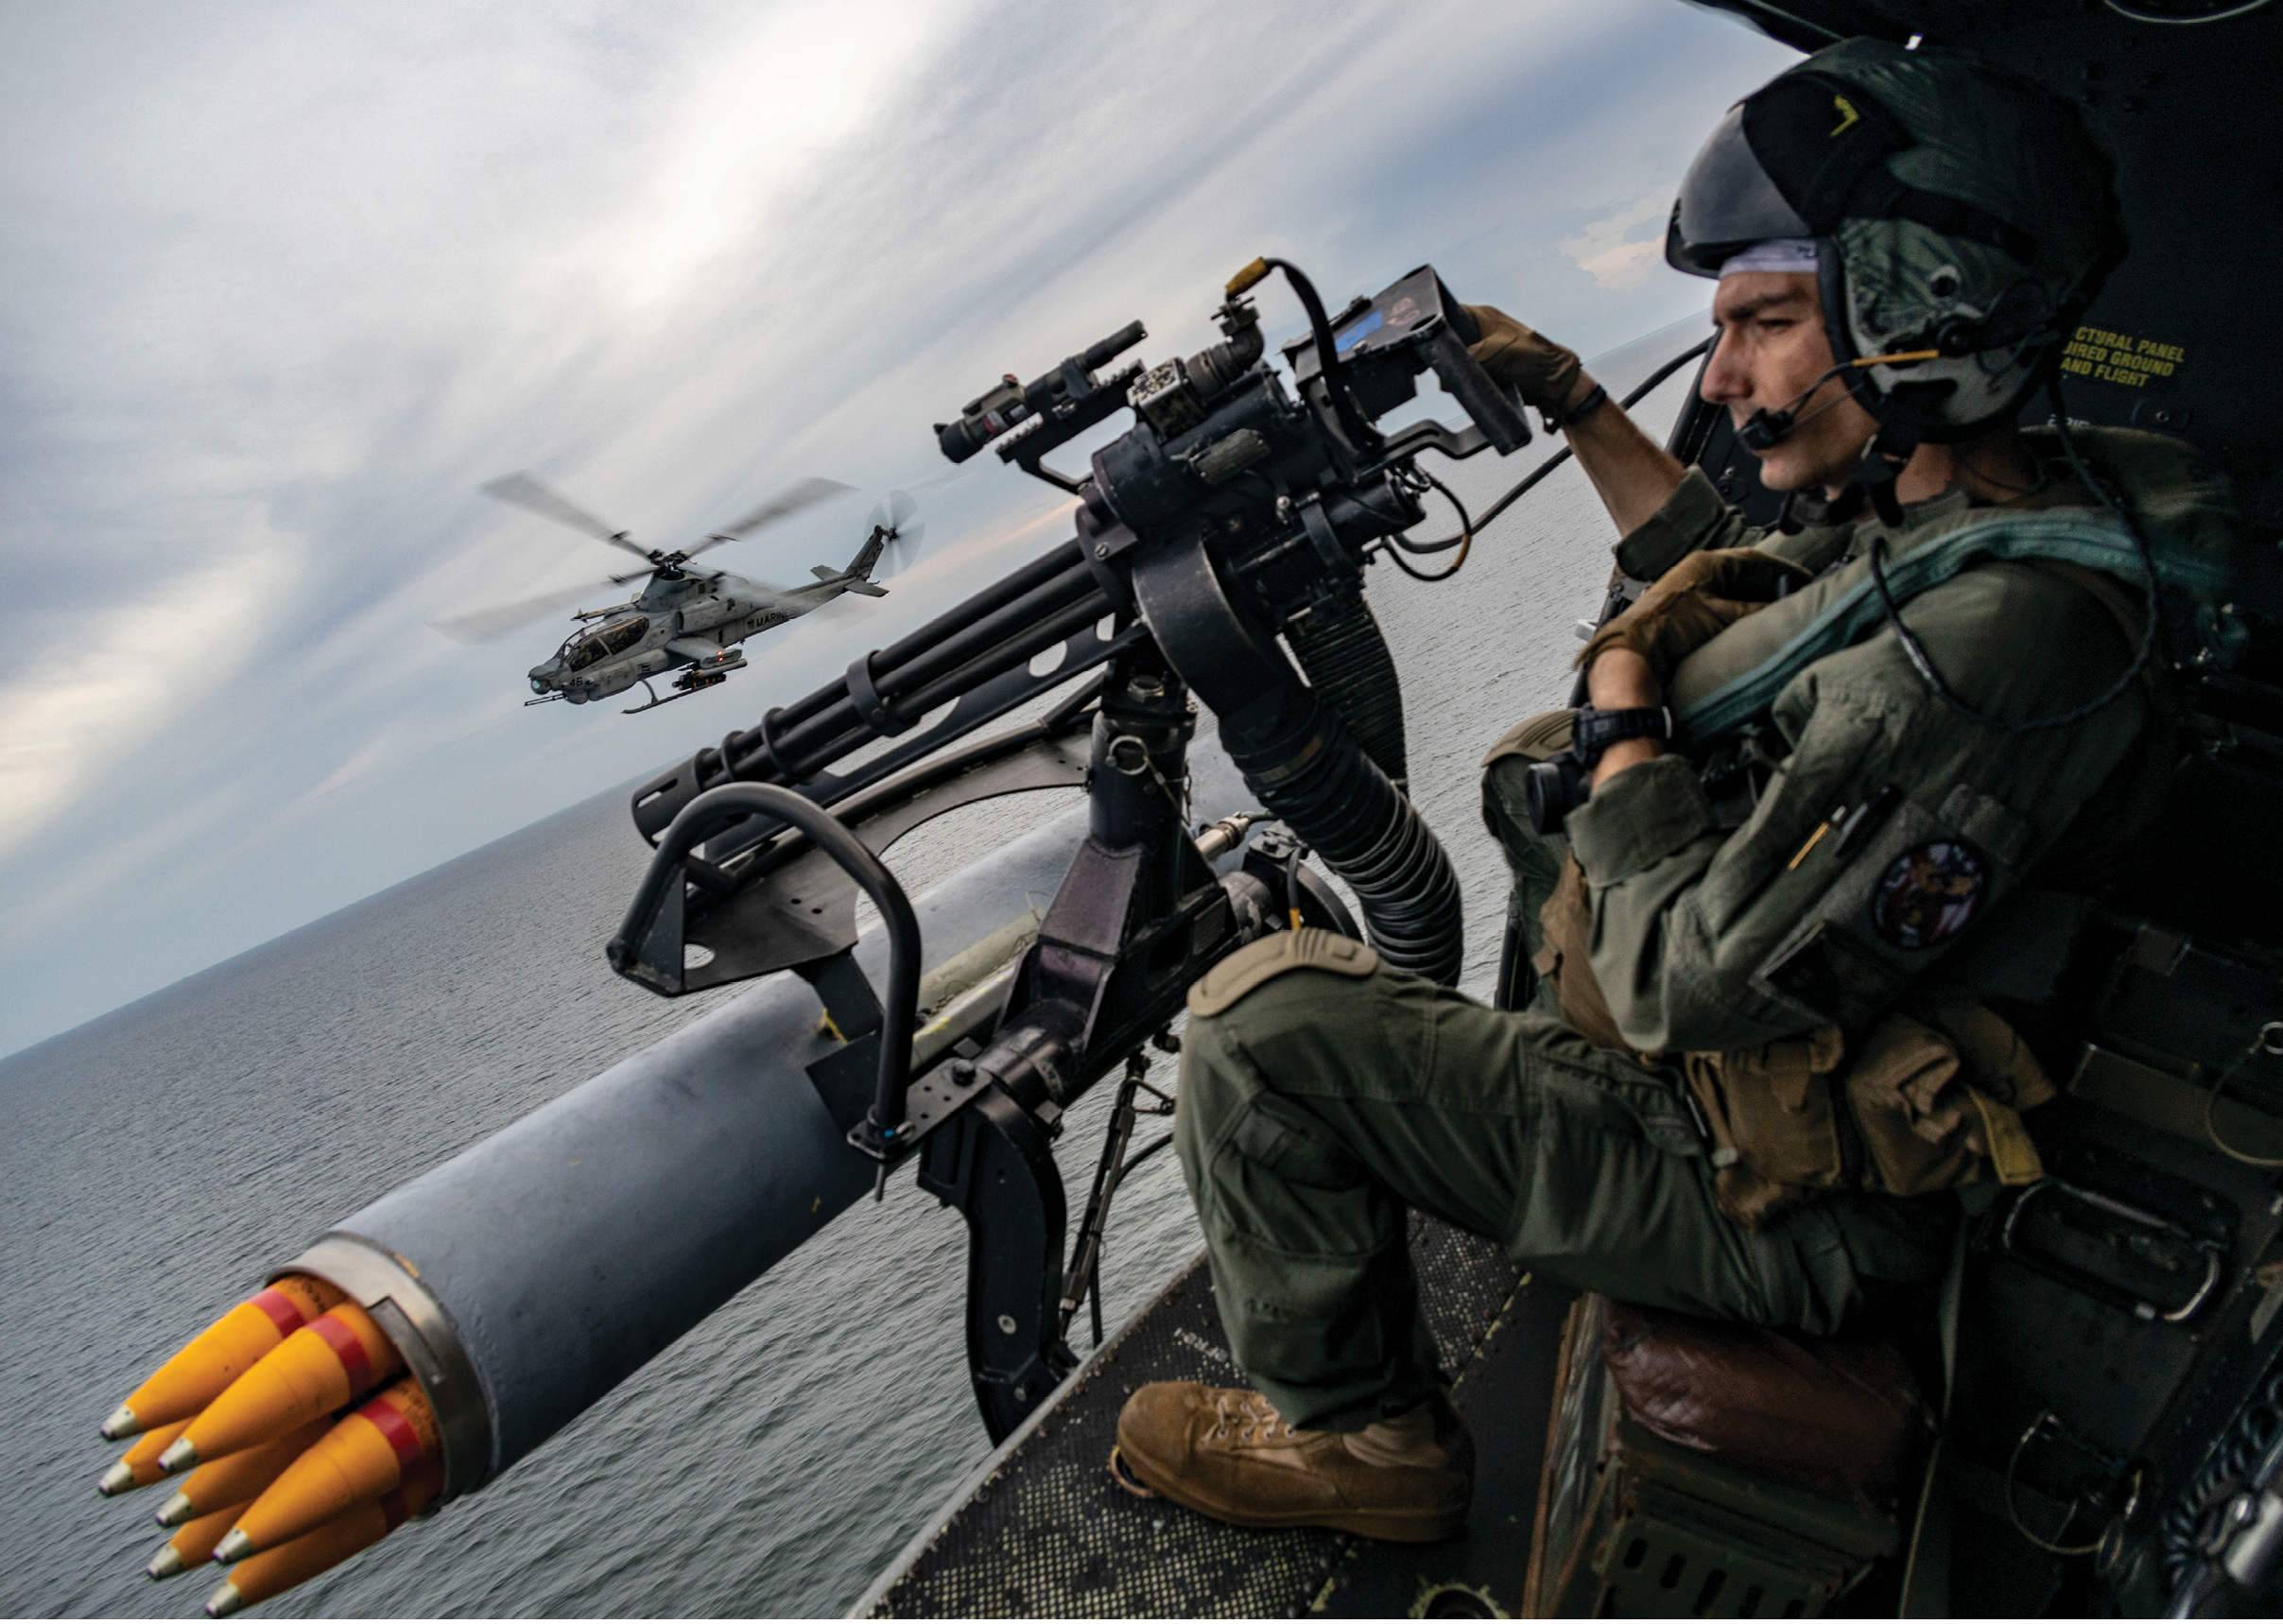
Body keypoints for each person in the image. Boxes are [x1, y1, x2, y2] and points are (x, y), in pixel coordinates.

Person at [1113, 36, 2240, 1542]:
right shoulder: (1990, 511)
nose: (1721, 375)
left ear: (1919, 313)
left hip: (1782, 1187)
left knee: (1257, 1028)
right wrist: (1576, 401)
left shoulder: (1996, 642)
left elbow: (1675, 986)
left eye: (1764, 324)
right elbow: (1764, 602)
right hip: (1761, 1091)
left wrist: (1626, 731)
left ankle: (1366, 1448)